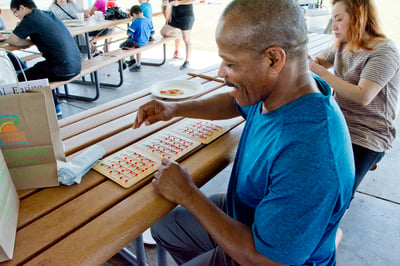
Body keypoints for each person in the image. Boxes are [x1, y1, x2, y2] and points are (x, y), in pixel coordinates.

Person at [133, 0, 355, 265]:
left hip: (263, 258)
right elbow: (235, 102)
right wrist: (175, 108)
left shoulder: (309, 153)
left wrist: (188, 194)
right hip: (250, 219)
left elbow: (267, 260)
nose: (221, 73)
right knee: (166, 227)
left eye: (230, 63)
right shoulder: (284, 90)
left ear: (273, 59)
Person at [309, 0, 400, 197]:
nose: (333, 26)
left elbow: (362, 96)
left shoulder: (384, 52)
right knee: (301, 166)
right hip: (339, 123)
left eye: (339, 19)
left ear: (359, 17)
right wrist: (312, 63)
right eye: (332, 19)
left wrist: (319, 72)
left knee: (337, 192)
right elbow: (318, 61)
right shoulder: (344, 45)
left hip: (368, 133)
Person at [7, 0, 82, 116]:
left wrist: (29, 41)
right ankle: (55, 106)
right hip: (76, 64)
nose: (17, 16)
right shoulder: (48, 14)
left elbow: (12, 40)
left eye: (16, 13)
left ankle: (37, 112)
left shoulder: (30, 19)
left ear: (22, 7)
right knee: (38, 70)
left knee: (20, 78)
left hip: (62, 69)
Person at [161, 0, 195, 70]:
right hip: (174, 16)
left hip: (186, 16)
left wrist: (179, 2)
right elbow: (166, 4)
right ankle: (179, 33)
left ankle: (187, 61)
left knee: (186, 39)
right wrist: (168, 13)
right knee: (164, 32)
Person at [119, 5, 153, 72]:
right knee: (135, 46)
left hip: (137, 42)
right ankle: (138, 64)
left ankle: (123, 62)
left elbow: (128, 33)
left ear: (134, 14)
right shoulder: (148, 20)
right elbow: (152, 33)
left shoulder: (136, 22)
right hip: (145, 42)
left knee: (122, 46)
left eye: (133, 16)